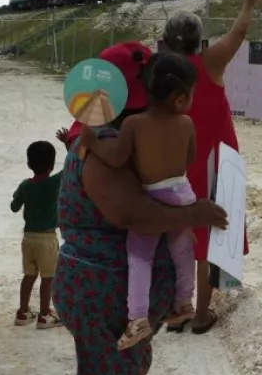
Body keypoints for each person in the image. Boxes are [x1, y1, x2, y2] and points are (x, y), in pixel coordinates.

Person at [52, 41, 228, 375]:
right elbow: (132, 214)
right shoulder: (106, 140)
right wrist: (195, 213)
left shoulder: (124, 135)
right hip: (102, 295)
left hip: (103, 295)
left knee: (115, 373)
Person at [160, 0, 262, 333]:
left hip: (174, 162)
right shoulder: (209, 64)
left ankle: (178, 309)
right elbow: (239, 33)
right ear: (197, 40)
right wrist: (249, 0)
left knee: (177, 236)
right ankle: (201, 313)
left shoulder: (160, 72)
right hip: (214, 161)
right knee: (208, 241)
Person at [80, 51, 199, 350]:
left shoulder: (134, 124)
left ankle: (137, 318)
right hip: (183, 193)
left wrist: (93, 143)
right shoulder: (186, 123)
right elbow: (191, 158)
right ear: (180, 99)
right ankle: (185, 301)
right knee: (182, 249)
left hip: (154, 196)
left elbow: (118, 159)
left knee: (140, 257)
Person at [11, 141, 62, 330]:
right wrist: (67, 144)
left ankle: (23, 312)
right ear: (52, 165)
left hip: (28, 238)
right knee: (48, 278)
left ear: (28, 164)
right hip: (47, 239)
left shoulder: (25, 185)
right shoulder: (54, 182)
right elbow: (72, 169)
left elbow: (14, 207)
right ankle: (44, 314)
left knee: (29, 275)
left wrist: (20, 193)